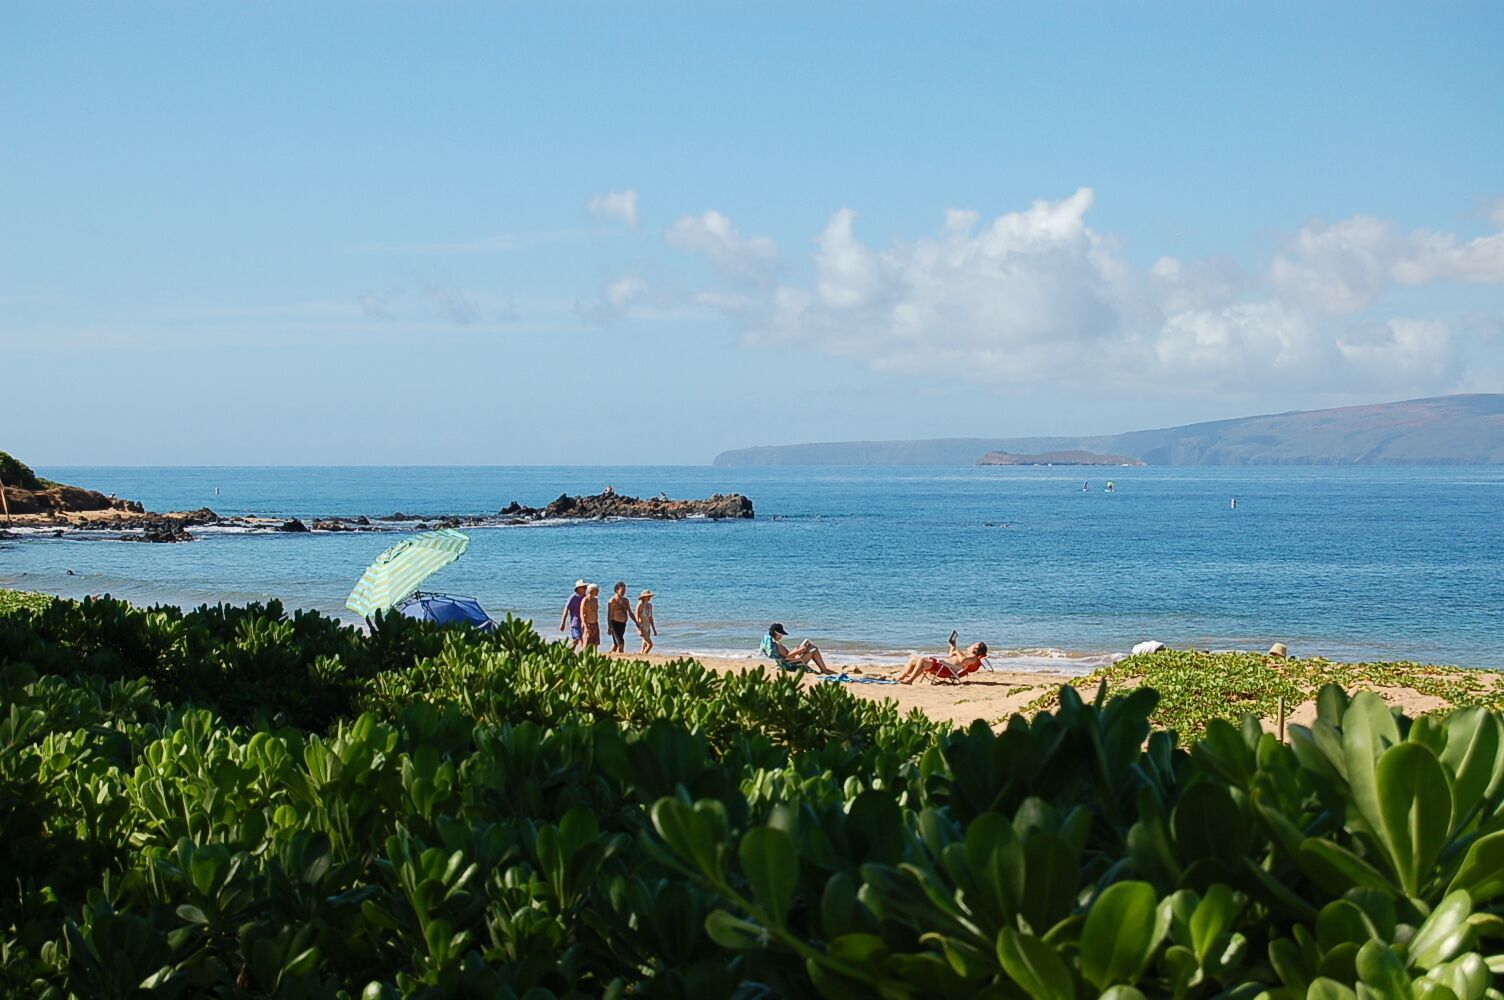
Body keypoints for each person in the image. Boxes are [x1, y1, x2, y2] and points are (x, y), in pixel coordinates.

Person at [898, 635, 989, 684]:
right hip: (943, 665)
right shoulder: (966, 654)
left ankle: (910, 680)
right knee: (913, 659)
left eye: (974, 644)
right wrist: (953, 646)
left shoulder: (973, 658)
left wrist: (957, 651)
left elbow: (962, 661)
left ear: (975, 649)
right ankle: (900, 678)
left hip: (946, 669)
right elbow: (951, 655)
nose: (971, 645)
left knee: (922, 661)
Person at [759, 623, 834, 674]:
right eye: (781, 634)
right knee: (814, 649)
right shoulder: (777, 644)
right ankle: (824, 670)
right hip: (791, 665)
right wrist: (800, 650)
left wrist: (797, 650)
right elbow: (787, 656)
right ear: (776, 633)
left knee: (808, 645)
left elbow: (785, 655)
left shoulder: (774, 643)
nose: (782, 636)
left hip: (787, 663)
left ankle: (824, 669)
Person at [607, 581, 637, 653]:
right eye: (622, 590)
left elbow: (630, 612)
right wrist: (609, 627)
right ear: (617, 590)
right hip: (614, 624)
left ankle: (609, 655)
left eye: (625, 590)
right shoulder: (612, 601)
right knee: (621, 643)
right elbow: (609, 615)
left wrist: (636, 622)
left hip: (623, 624)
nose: (624, 592)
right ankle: (621, 657)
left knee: (616, 644)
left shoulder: (626, 600)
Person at [559, 579, 587, 651]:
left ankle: (573, 652)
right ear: (578, 589)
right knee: (578, 639)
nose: (585, 589)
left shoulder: (585, 597)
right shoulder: (573, 597)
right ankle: (570, 651)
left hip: (583, 622)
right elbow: (566, 610)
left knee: (580, 640)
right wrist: (563, 623)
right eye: (583, 587)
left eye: (585, 587)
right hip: (575, 622)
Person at [636, 589, 658, 654]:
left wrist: (654, 629)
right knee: (650, 645)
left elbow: (651, 618)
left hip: (648, 627)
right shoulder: (640, 605)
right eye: (648, 596)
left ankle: (641, 655)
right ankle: (644, 655)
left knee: (644, 644)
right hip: (642, 626)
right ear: (644, 597)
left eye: (650, 596)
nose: (649, 597)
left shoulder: (650, 605)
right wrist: (639, 629)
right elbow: (636, 618)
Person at [582, 583, 602, 650]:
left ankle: (594, 655)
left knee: (596, 643)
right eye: (597, 590)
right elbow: (582, 614)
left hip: (595, 624)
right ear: (591, 590)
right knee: (586, 644)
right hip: (588, 624)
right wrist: (585, 626)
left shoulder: (595, 600)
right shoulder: (585, 600)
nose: (598, 591)